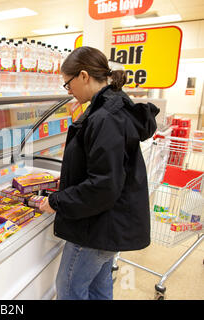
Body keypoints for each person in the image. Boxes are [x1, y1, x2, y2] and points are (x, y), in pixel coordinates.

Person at [40, 46, 160, 300]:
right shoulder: (111, 107)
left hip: (96, 227)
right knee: (98, 287)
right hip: (110, 224)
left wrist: (56, 201)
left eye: (68, 83)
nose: (69, 91)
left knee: (70, 289)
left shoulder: (105, 117)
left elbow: (103, 185)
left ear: (84, 75)